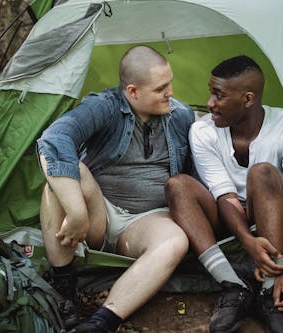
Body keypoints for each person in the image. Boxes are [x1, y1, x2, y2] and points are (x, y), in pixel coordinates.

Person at [37, 45, 194, 332]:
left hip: (148, 220)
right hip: (98, 213)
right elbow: (53, 140)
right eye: (161, 88)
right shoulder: (105, 106)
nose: (170, 92)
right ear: (133, 91)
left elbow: (194, 178)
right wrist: (76, 212)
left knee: (176, 242)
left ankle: (102, 322)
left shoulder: (181, 115)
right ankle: (64, 290)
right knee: (61, 176)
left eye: (170, 83)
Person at [165, 55, 283, 333]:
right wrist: (248, 242)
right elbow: (224, 195)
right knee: (177, 185)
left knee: (262, 172)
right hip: (226, 217)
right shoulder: (203, 130)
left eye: (218, 95)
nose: (209, 103)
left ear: (247, 99)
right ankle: (234, 287)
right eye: (211, 92)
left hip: (270, 213)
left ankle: (272, 287)